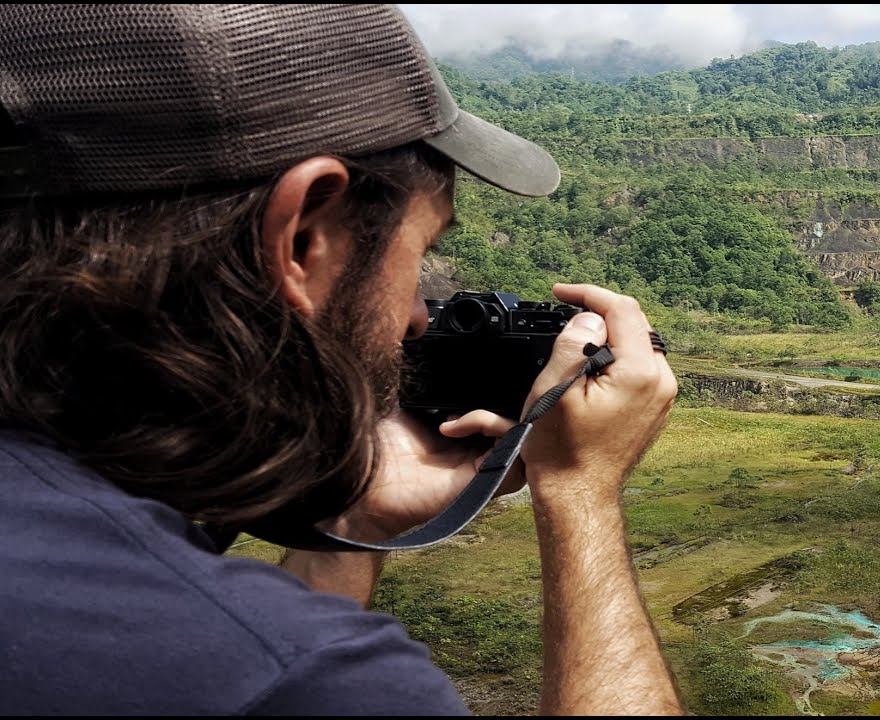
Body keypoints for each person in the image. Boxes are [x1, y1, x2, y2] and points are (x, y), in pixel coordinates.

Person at [0, 4, 682, 715]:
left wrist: (357, 520)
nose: (419, 316)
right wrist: (580, 493)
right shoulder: (282, 677)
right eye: (422, 254)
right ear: (302, 238)